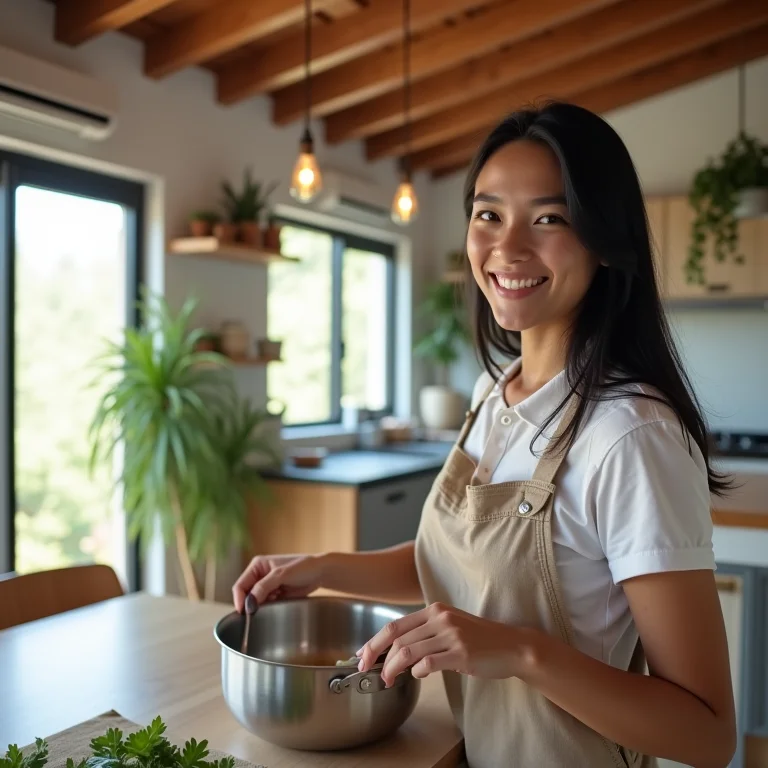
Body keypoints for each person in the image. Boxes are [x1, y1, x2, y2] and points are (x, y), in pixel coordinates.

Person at [232, 101, 737, 768]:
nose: (508, 246)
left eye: (549, 218)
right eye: (488, 214)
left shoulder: (630, 436)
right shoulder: (493, 392)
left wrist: (521, 653)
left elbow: (705, 734)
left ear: (603, 240)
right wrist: (323, 570)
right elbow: (464, 563)